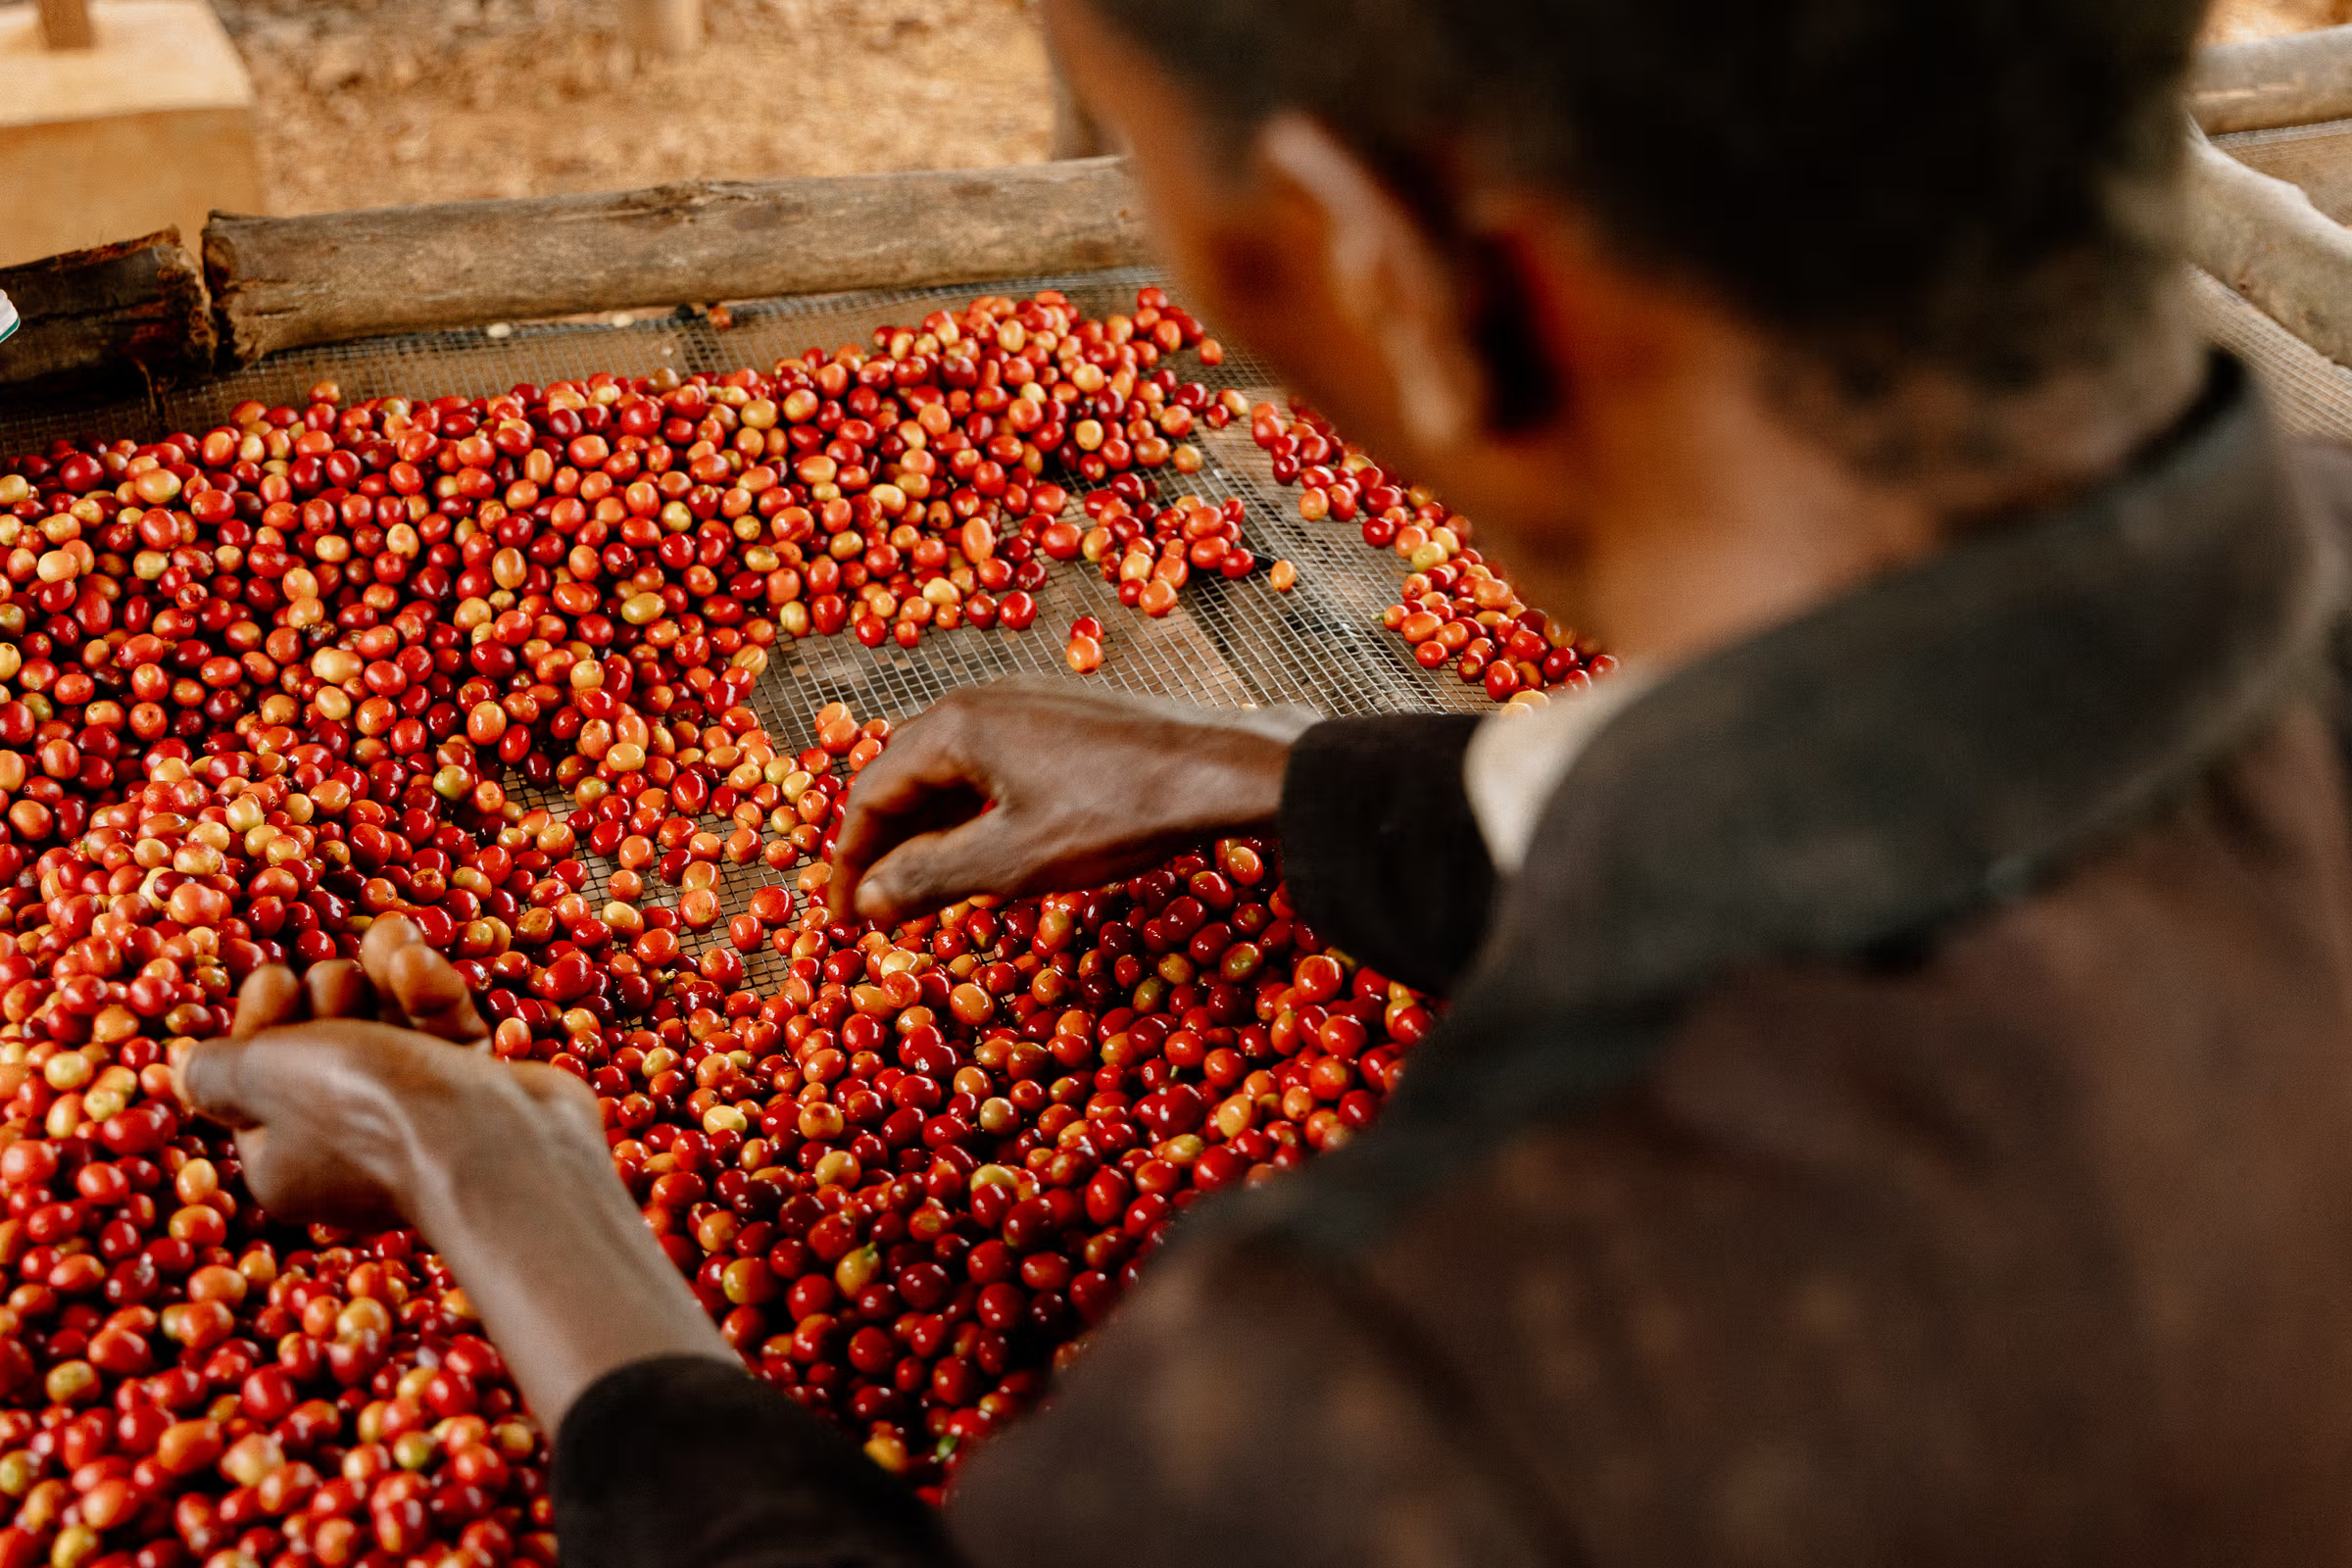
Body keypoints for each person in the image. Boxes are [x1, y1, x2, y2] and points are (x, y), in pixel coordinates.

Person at [181, 0, 2352, 1558]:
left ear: (1407, 276)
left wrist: (515, 1186)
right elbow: (1920, 767)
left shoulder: (1442, 1396)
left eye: (1194, 223)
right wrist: (1284, 774)